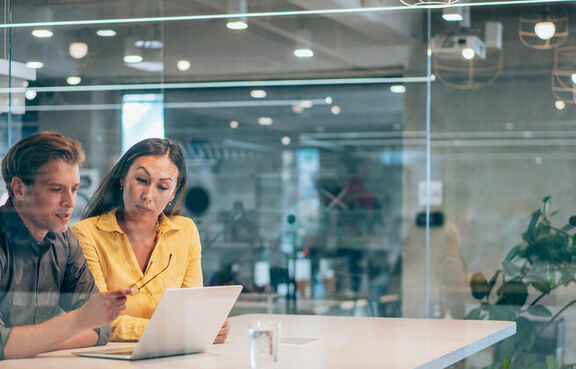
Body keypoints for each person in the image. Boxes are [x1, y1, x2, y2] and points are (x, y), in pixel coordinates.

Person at [71, 138, 229, 342]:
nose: (147, 195)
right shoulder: (86, 234)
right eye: (142, 180)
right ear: (122, 178)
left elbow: (190, 310)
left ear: (173, 193)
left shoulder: (185, 231)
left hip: (173, 355)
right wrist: (183, 330)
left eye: (162, 187)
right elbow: (98, 321)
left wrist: (207, 325)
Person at [0, 131, 130, 360]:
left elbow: (101, 328)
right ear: (19, 189)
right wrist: (78, 322)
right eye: (56, 189)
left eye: (74, 189)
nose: (70, 202)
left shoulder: (64, 240)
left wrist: (29, 344)